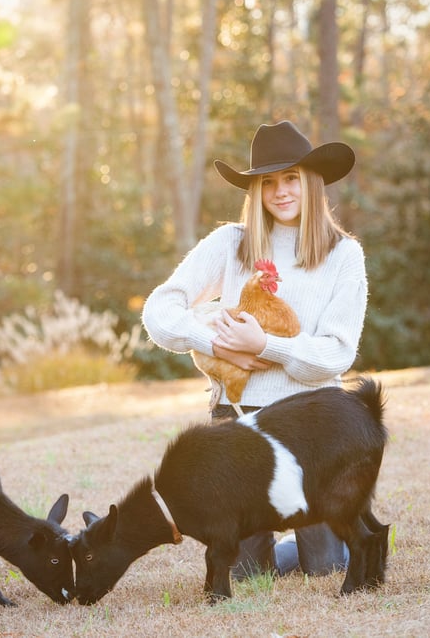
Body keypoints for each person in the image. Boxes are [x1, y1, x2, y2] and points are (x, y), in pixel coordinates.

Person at [141, 120, 368, 578]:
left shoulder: (344, 255)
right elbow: (158, 310)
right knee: (246, 574)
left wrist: (267, 345)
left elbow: (338, 353)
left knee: (323, 567)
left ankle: (327, 541)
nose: (280, 191)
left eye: (290, 179)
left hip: (312, 422)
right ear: (255, 191)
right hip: (239, 422)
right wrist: (219, 342)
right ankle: (271, 541)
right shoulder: (230, 244)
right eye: (267, 182)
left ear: (311, 181)